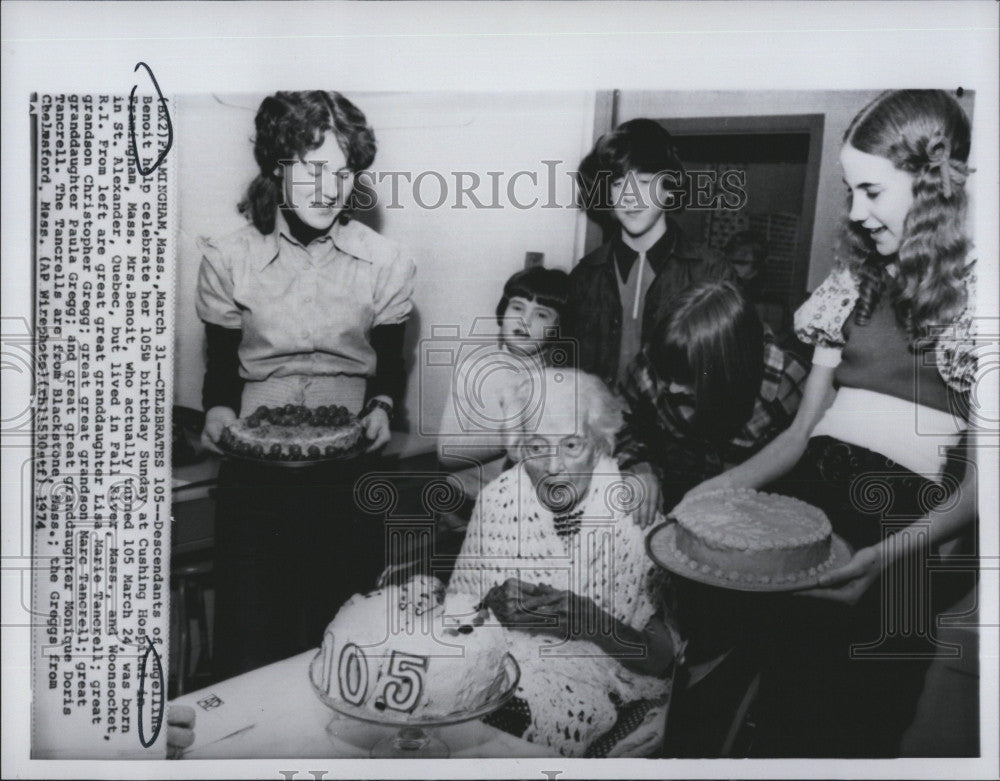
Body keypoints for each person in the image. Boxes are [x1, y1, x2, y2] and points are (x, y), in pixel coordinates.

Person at [686, 89, 980, 757]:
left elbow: (979, 491)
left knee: (844, 718)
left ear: (932, 183)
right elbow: (795, 437)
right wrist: (715, 492)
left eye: (872, 191)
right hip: (813, 498)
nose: (855, 212)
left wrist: (880, 560)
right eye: (851, 191)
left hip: (906, 525)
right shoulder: (852, 285)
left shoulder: (983, 297)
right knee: (749, 691)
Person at [195, 91, 416, 679]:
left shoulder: (386, 260)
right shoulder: (227, 256)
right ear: (276, 166)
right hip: (256, 487)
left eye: (343, 174)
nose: (329, 189)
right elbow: (220, 365)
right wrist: (217, 410)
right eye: (313, 170)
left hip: (348, 487)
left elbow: (389, 363)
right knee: (249, 654)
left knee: (339, 653)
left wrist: (384, 407)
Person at [447, 368, 681, 757]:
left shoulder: (633, 508)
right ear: (520, 447)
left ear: (599, 443)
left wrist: (587, 621)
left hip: (615, 691)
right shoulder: (499, 499)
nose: (555, 467)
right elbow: (460, 614)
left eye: (572, 446)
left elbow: (660, 659)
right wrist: (489, 609)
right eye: (538, 447)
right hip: (503, 683)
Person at [565, 118, 735, 391]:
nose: (630, 197)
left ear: (670, 191)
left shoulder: (711, 272)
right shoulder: (584, 276)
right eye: (618, 184)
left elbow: (725, 372)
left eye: (644, 182)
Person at [616, 279, 808, 512]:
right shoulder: (663, 358)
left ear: (729, 369)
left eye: (685, 379)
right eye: (669, 376)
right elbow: (620, 421)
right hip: (673, 503)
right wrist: (640, 467)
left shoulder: (785, 381)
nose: (671, 389)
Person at [437, 267, 571, 512]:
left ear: (558, 327)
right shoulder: (472, 370)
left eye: (541, 314)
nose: (525, 321)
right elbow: (447, 454)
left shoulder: (562, 383)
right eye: (517, 307)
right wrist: (507, 436)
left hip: (531, 512)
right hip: (464, 507)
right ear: (503, 310)